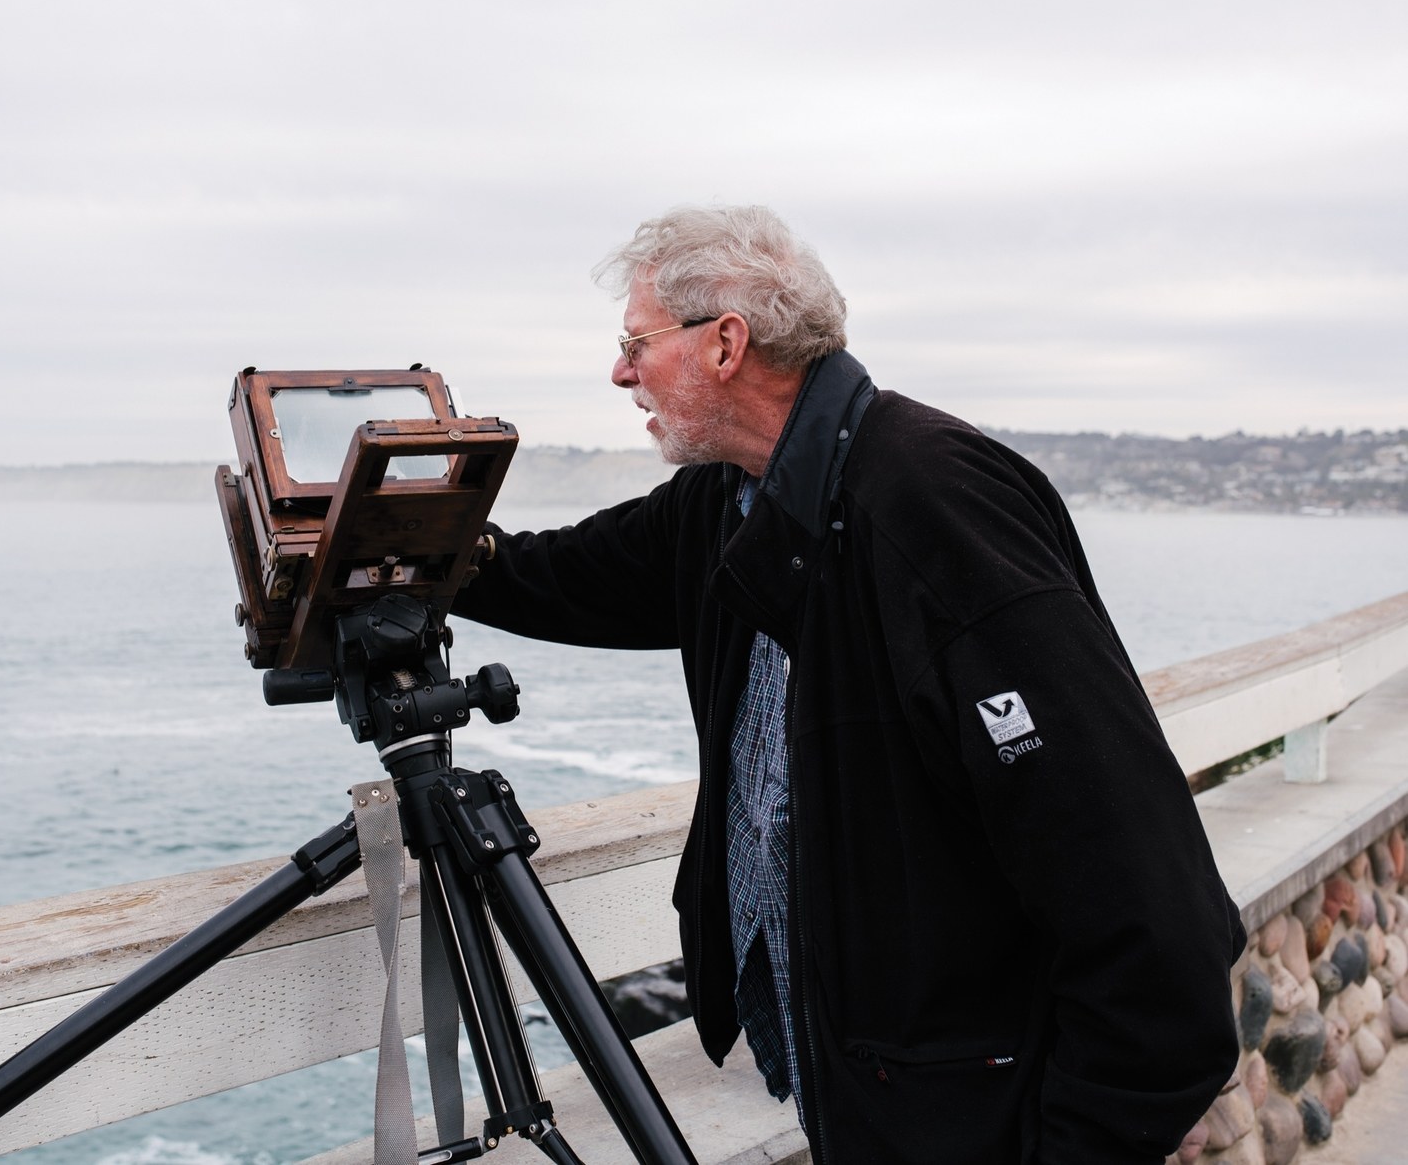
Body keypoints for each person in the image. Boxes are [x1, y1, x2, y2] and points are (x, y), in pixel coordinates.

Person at [451, 205, 1244, 1163]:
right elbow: (561, 577)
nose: (622, 373)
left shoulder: (936, 506)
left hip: (972, 1104)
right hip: (865, 1087)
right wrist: (393, 547)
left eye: (636, 344)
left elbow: (1150, 909)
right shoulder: (731, 500)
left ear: (725, 345)